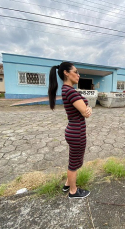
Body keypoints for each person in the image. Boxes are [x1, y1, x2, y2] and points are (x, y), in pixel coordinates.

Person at [48, 62, 92, 199]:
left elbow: (84, 108)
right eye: (76, 72)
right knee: (74, 164)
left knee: (75, 160)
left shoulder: (66, 90)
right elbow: (85, 112)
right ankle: (73, 191)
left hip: (73, 130)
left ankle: (68, 183)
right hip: (76, 132)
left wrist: (86, 108)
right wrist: (88, 109)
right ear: (66, 73)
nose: (78, 75)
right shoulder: (70, 91)